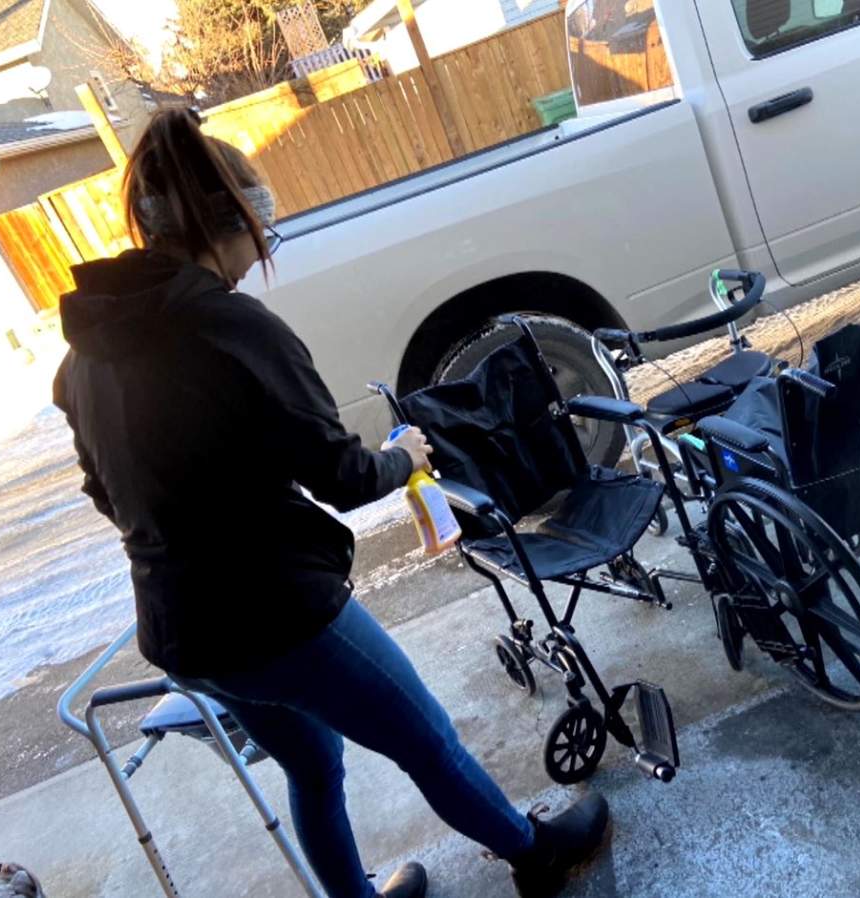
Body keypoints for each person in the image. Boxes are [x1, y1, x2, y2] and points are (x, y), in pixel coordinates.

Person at [53, 109, 609, 898]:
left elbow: (102, 488)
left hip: (180, 631)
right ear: (229, 224)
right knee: (428, 742)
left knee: (312, 763)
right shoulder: (229, 328)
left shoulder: (87, 351)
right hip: (275, 615)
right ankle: (538, 856)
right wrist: (402, 456)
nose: (260, 256)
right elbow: (341, 477)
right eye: (262, 233)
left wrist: (188, 520)